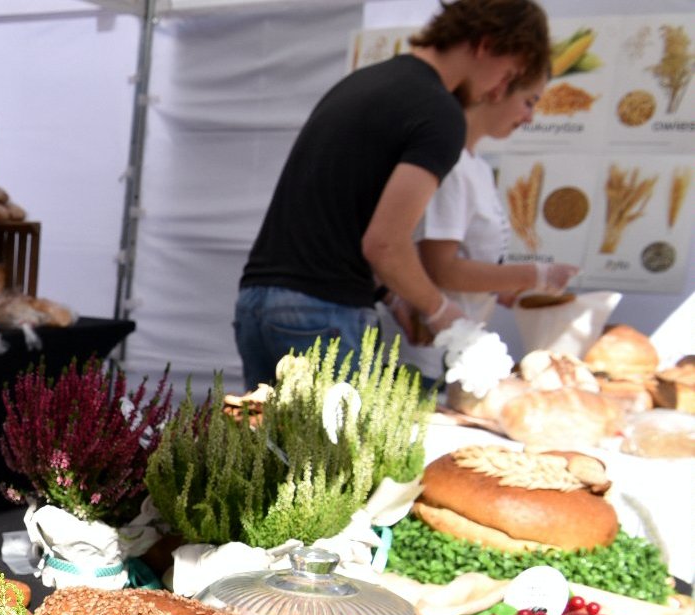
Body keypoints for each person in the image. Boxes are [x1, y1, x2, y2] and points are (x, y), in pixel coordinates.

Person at [233, 0, 551, 389]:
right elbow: (384, 244)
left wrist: (395, 296)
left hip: (257, 301)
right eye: (509, 73)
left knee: (264, 447)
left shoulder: (364, 81)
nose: (499, 89)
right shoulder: (440, 112)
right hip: (323, 312)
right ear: (486, 45)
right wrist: (440, 312)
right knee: (330, 452)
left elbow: (337, 215)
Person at [399, 69, 578, 377]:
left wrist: (502, 288)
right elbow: (441, 268)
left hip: (457, 348)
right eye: (528, 102)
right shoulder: (452, 164)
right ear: (497, 89)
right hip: (424, 354)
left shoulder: (477, 167)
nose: (529, 117)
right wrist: (536, 274)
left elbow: (471, 257)